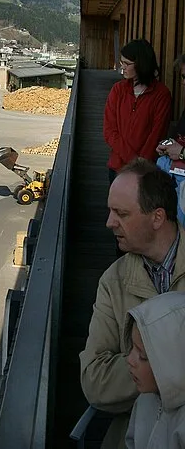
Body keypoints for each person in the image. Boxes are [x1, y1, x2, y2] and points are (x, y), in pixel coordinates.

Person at [83, 158, 184, 447]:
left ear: (157, 217)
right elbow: (94, 379)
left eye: (121, 214)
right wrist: (164, 369)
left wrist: (150, 368)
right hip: (133, 433)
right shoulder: (113, 281)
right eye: (110, 211)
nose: (109, 223)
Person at [126, 292, 185, 448]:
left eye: (143, 356)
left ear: (175, 362)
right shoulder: (144, 401)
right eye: (132, 347)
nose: (130, 360)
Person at [106, 39, 174, 174]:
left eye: (127, 64)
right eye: (121, 63)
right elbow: (109, 131)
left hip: (146, 170)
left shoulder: (161, 94)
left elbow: (157, 133)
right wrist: (133, 160)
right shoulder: (118, 90)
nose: (122, 67)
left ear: (141, 64)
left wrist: (140, 164)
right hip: (117, 167)